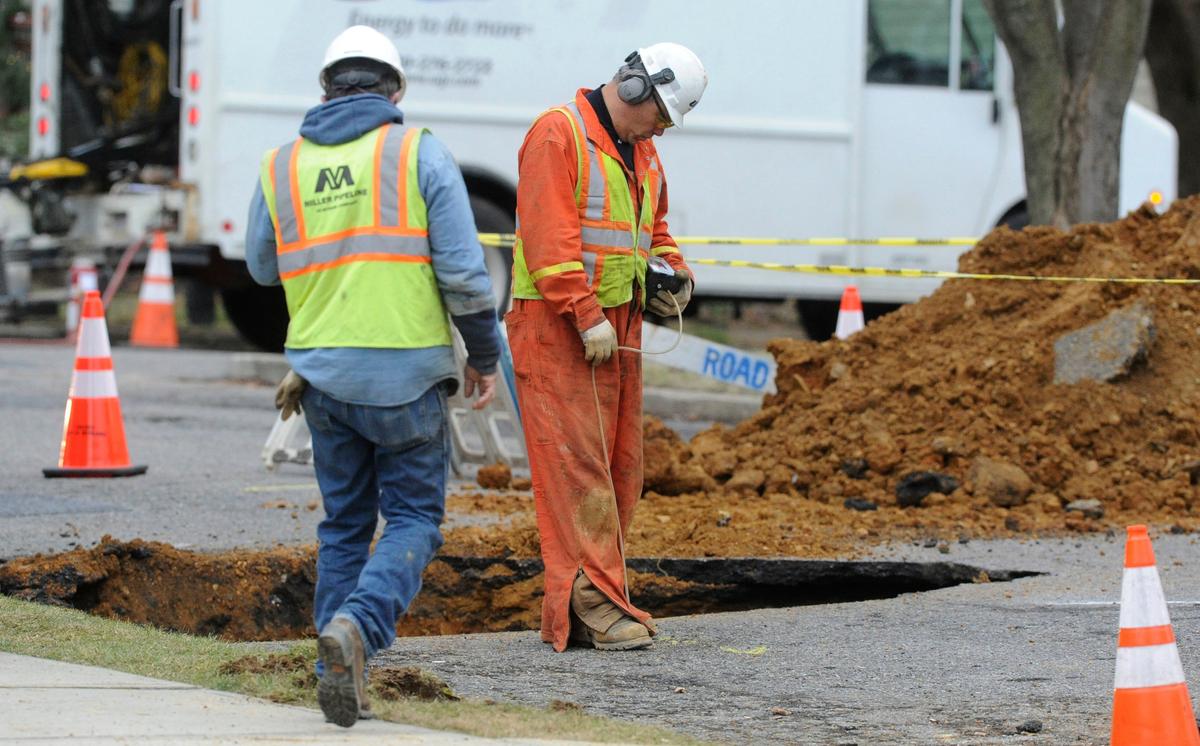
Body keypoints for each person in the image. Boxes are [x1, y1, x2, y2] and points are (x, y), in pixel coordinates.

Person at [244, 25, 501, 727]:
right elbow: (464, 275)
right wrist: (484, 356)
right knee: (415, 516)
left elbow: (263, 268)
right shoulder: (416, 151)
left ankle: (337, 664)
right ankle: (357, 628)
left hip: (322, 379)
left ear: (324, 89)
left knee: (346, 524)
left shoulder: (280, 166)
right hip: (406, 378)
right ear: (396, 91)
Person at [508, 43, 707, 652]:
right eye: (662, 115)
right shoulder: (558, 134)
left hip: (614, 329)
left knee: (622, 469)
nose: (663, 129)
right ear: (633, 89)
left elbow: (656, 230)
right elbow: (548, 239)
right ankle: (590, 604)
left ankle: (601, 594)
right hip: (559, 325)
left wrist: (674, 274)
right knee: (578, 470)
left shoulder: (642, 153)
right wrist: (583, 310)